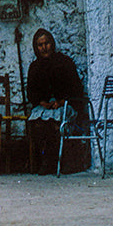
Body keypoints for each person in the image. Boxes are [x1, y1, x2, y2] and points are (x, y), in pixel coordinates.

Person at [25, 28, 86, 175]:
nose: (44, 47)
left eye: (47, 43)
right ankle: (46, 162)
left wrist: (62, 101)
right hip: (45, 106)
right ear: (36, 48)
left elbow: (76, 88)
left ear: (52, 43)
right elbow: (31, 92)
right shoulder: (35, 67)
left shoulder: (65, 62)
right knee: (38, 123)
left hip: (65, 104)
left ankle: (62, 161)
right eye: (40, 45)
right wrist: (42, 102)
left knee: (56, 123)